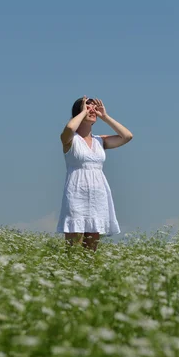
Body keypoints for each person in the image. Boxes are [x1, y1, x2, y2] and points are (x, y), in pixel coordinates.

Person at [56, 96, 133, 252]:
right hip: (76, 193)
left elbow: (127, 136)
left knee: (91, 248)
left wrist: (105, 117)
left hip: (98, 194)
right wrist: (83, 112)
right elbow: (70, 128)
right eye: (87, 106)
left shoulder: (100, 141)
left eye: (93, 107)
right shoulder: (70, 139)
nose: (92, 110)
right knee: (74, 248)